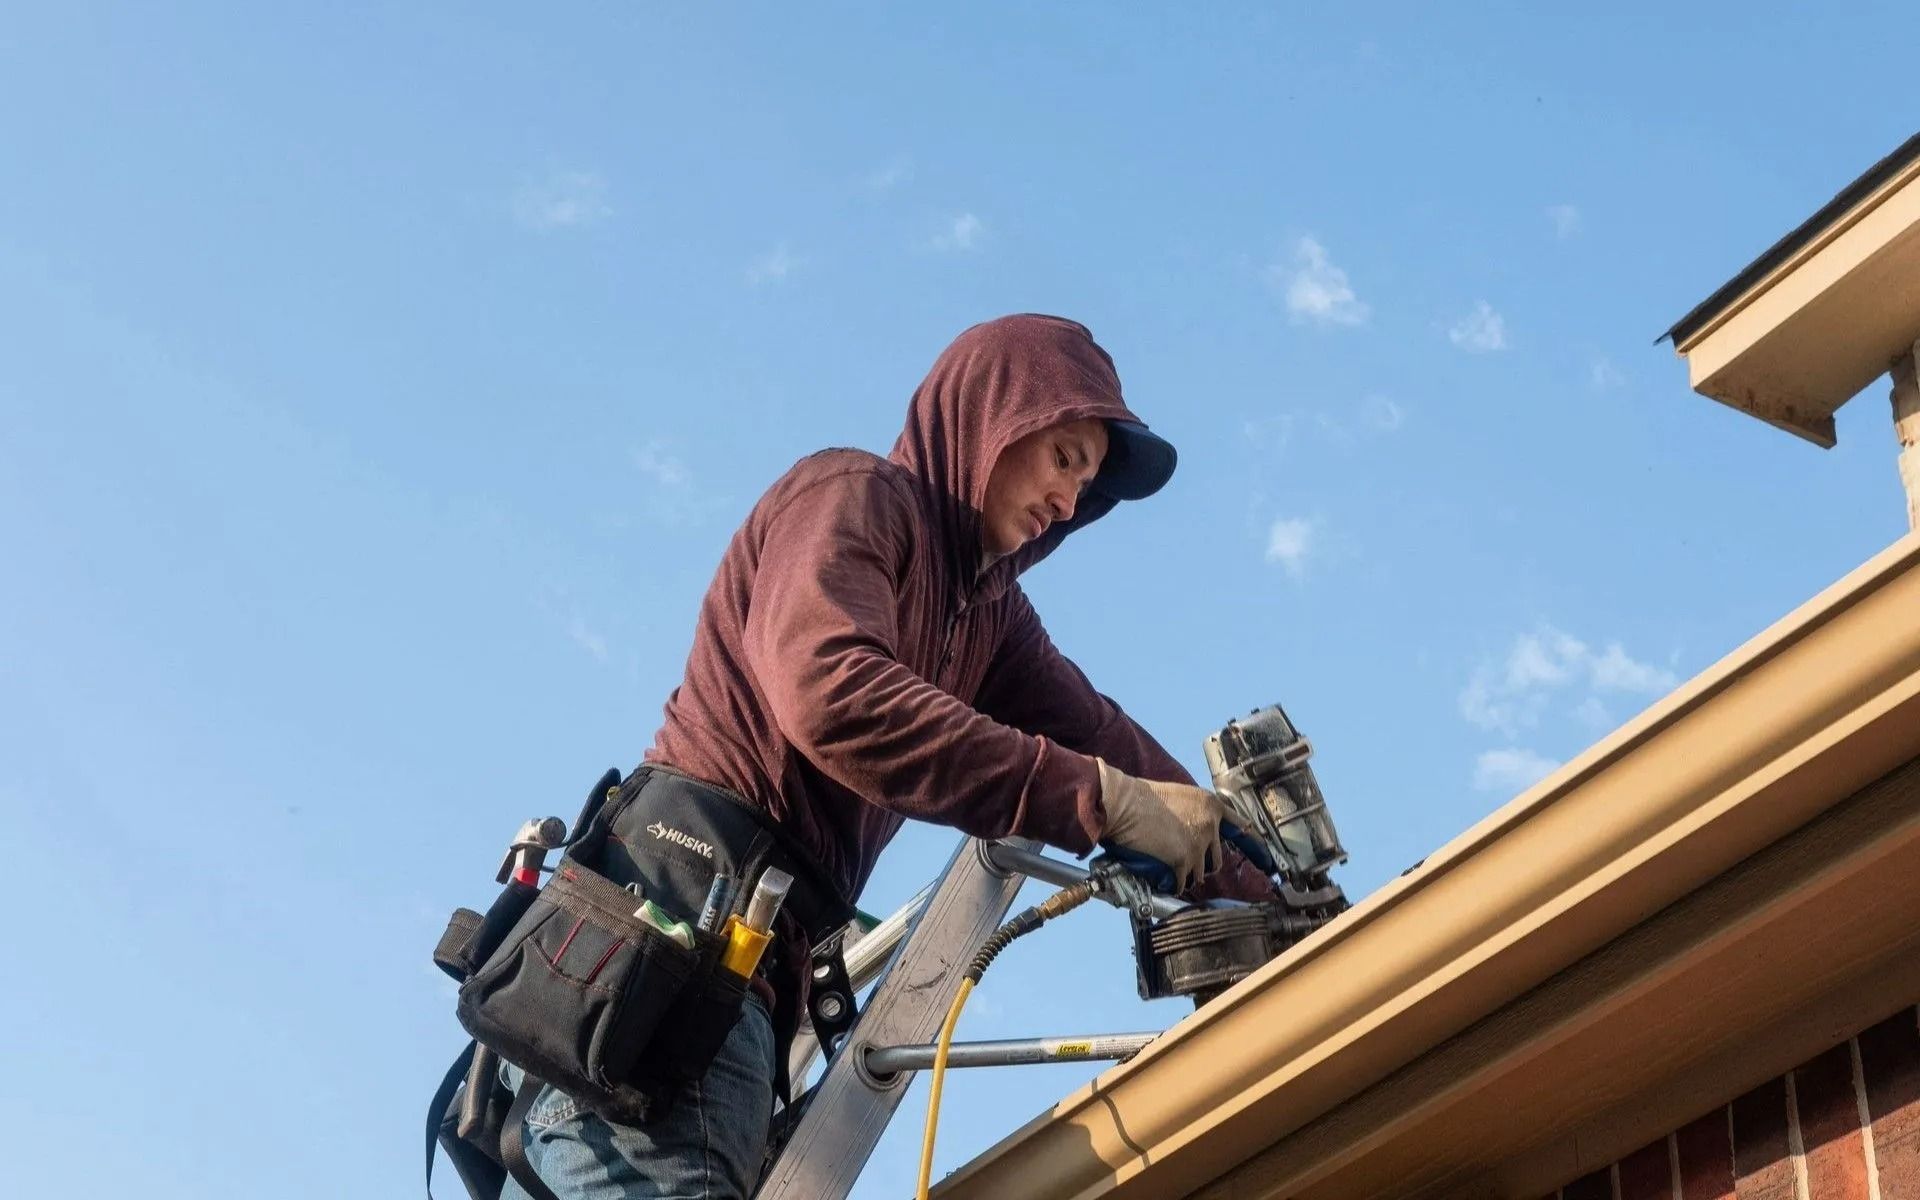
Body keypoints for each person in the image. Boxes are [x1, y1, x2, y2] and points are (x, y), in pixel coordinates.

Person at [501, 313, 1272, 1200]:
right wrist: (1100, 801)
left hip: (733, 996)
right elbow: (833, 695)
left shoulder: (986, 619)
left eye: (1087, 484)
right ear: (993, 417)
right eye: (1063, 456)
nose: (1069, 500)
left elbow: (1097, 736)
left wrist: (1265, 888)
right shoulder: (852, 497)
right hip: (660, 966)